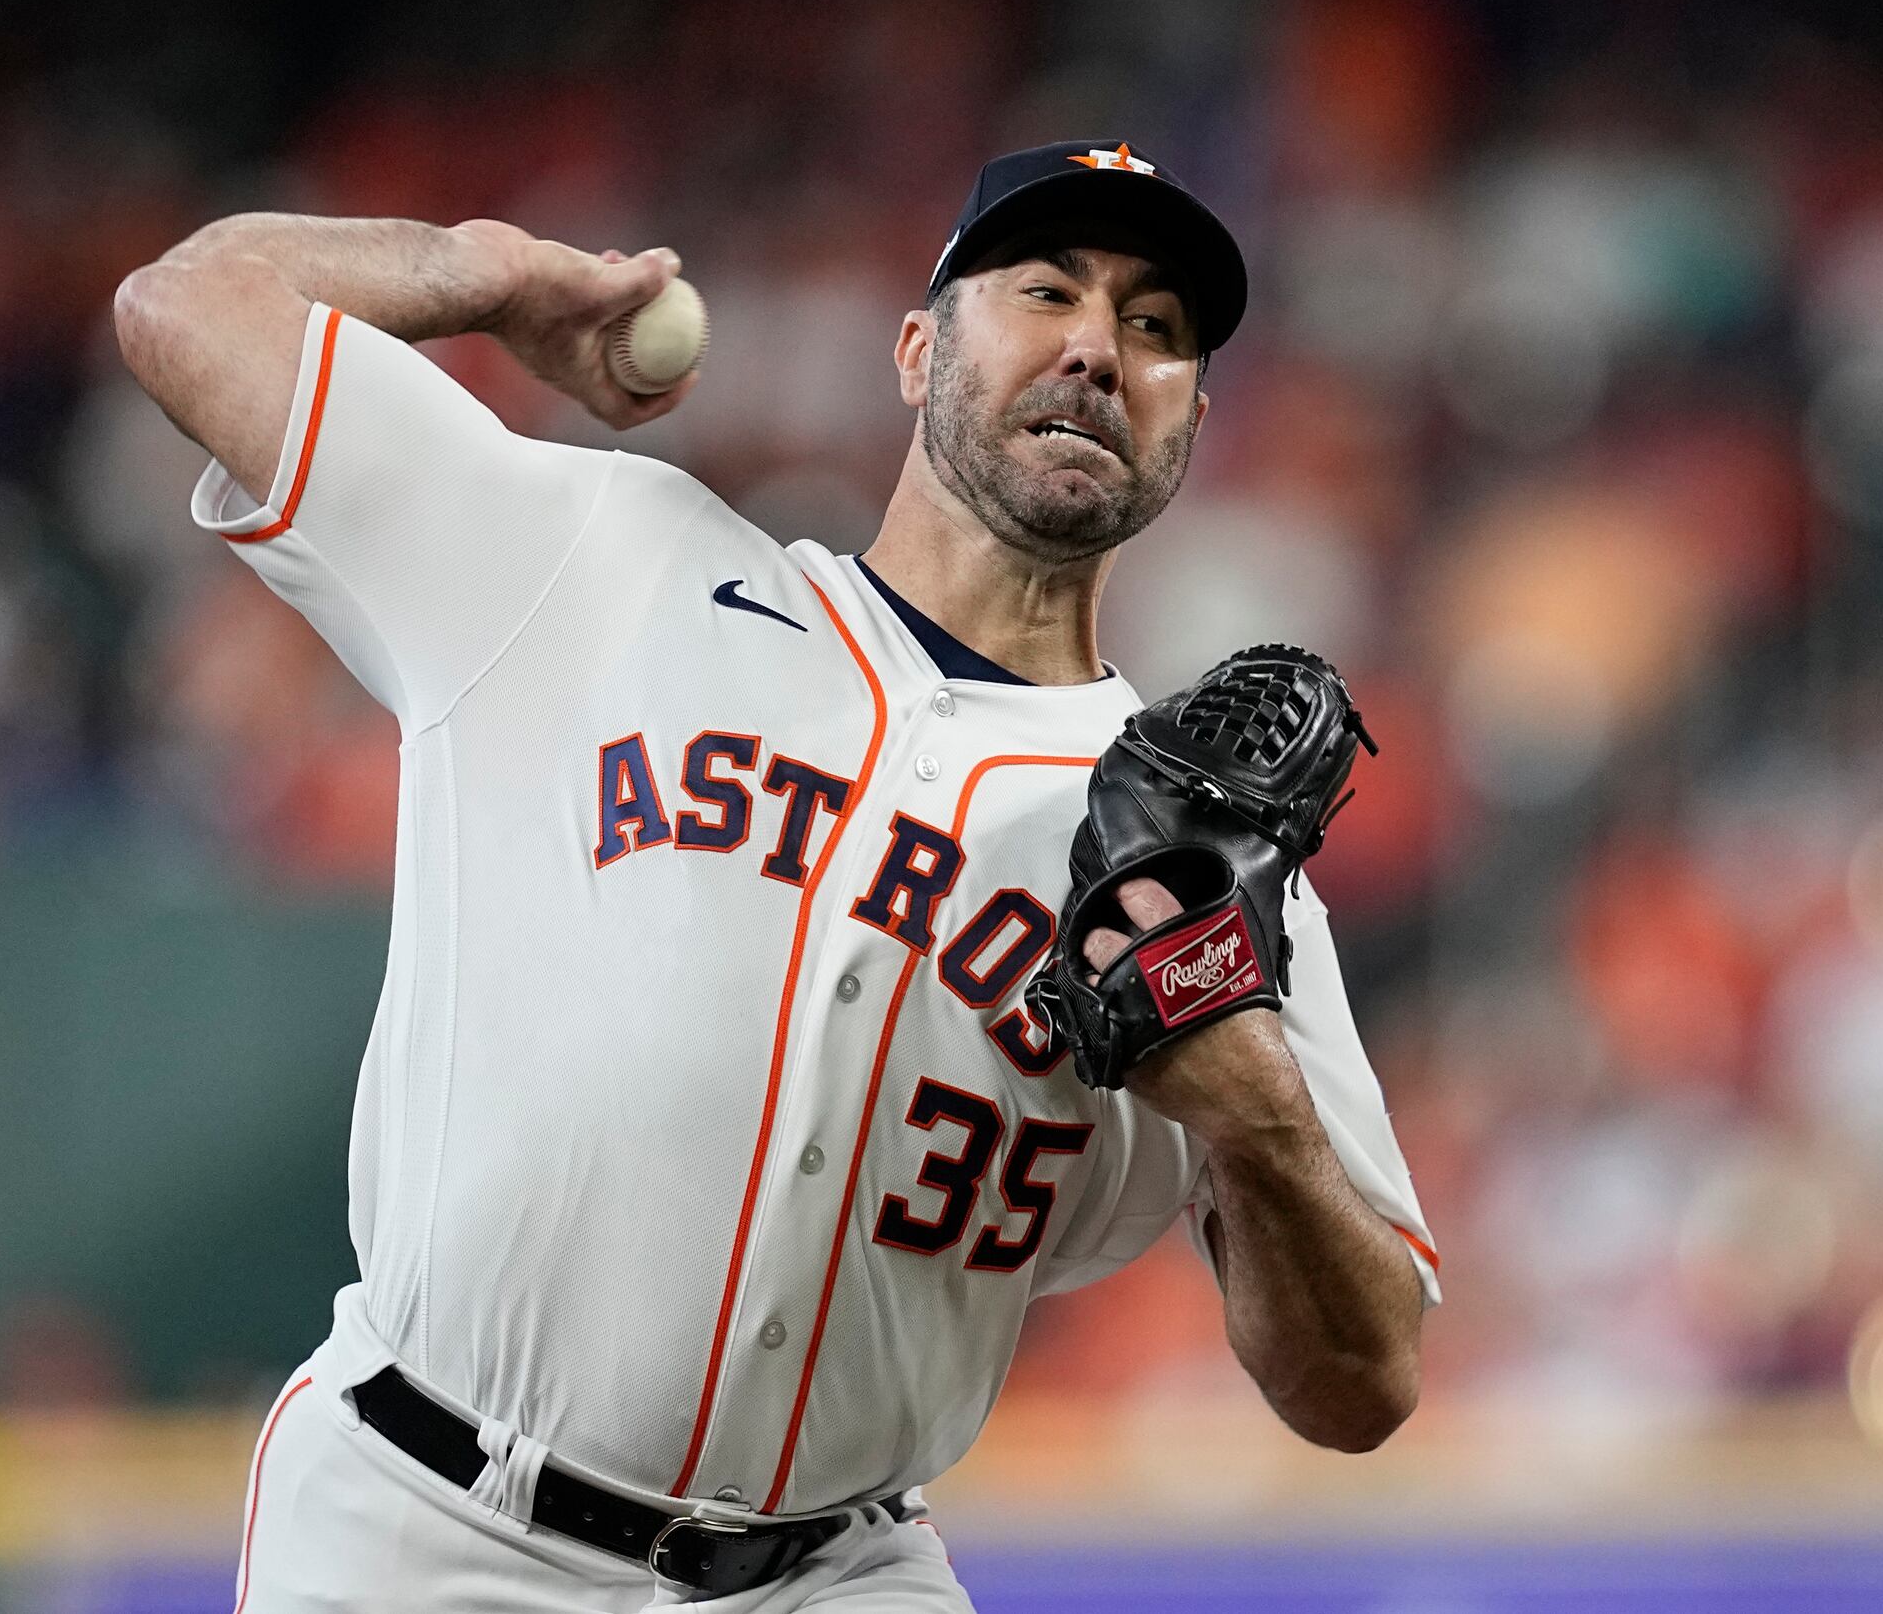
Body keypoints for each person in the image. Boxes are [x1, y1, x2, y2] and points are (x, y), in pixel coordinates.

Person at [114, 140, 1436, 1612]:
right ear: (917, 348)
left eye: (1158, 327)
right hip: (426, 1526)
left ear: (1191, 416)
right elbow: (188, 304)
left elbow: (1365, 1383)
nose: (1096, 346)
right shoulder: (599, 562)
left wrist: (1257, 1116)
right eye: (1047, 288)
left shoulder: (1208, 868)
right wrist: (488, 274)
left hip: (837, 1573)